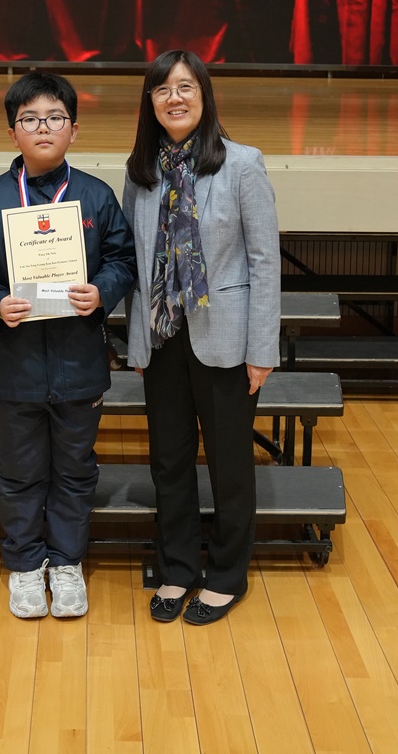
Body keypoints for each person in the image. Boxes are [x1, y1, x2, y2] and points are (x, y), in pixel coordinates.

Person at [0, 71, 136, 620]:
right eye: (29, 119)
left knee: (76, 470)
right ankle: (27, 565)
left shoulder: (96, 196)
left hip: (80, 365)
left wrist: (102, 291)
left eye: (55, 117)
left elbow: (122, 260)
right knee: (20, 471)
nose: (43, 127)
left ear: (74, 130)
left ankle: (68, 562)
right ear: (13, 133)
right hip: (16, 368)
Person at [122, 50, 281, 625]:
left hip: (228, 341)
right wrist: (137, 342)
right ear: (151, 103)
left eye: (186, 87)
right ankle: (178, 568)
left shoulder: (243, 165)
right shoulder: (141, 171)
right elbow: (134, 262)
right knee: (169, 463)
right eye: (163, 89)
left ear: (205, 95)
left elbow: (265, 261)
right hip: (163, 338)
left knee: (230, 466)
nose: (175, 98)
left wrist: (263, 350)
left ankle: (227, 576)